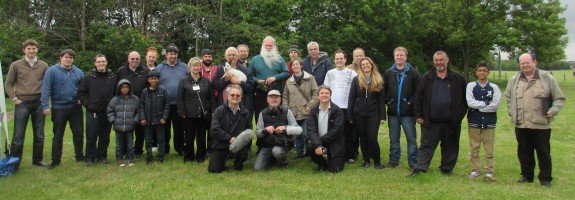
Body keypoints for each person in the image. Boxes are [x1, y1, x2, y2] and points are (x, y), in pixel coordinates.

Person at [504, 53, 565, 187]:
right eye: (522, 63)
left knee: (543, 152)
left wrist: (553, 111)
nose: (525, 65)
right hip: (521, 123)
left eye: (527, 62)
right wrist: (511, 110)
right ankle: (526, 176)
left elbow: (559, 99)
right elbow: (508, 97)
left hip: (541, 124)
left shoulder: (547, 78)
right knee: (523, 151)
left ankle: (545, 179)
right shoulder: (514, 80)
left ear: (535, 62)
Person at [410, 51, 467, 176]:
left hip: (451, 122)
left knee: (450, 147)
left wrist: (459, 116)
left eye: (441, 60)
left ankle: (446, 169)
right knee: (426, 146)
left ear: (447, 60)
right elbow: (418, 97)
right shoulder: (427, 77)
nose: (439, 63)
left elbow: (465, 100)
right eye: (436, 60)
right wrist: (418, 115)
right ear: (433, 61)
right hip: (430, 121)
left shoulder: (458, 78)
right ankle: (420, 169)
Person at [5, 39, 49, 168]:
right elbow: (8, 83)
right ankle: (14, 164)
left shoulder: (44, 65)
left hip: (39, 103)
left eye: (34, 48)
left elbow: (47, 84)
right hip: (22, 103)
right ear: (24, 50)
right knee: (18, 135)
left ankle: (38, 160)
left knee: (39, 135)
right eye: (29, 48)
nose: (31, 50)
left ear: (37, 50)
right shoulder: (16, 65)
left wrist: (46, 101)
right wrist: (14, 99)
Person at [41, 49, 85, 169]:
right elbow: (46, 89)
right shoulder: (52, 71)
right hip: (58, 107)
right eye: (66, 57)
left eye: (71, 58)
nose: (68, 59)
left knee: (78, 133)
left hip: (75, 107)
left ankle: (80, 156)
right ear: (61, 58)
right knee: (58, 135)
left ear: (73, 59)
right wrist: (45, 105)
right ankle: (55, 160)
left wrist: (82, 99)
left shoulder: (78, 72)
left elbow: (83, 88)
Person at [382, 47, 420, 169]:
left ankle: (413, 161)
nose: (399, 57)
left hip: (408, 113)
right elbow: (384, 90)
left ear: (406, 57)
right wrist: (388, 101)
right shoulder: (388, 73)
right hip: (393, 112)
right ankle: (393, 160)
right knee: (393, 139)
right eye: (397, 55)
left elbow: (418, 91)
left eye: (401, 55)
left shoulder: (413, 72)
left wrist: (410, 103)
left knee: (411, 139)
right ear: (394, 57)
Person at [77, 54, 118, 165]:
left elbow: (116, 93)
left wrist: (113, 105)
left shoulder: (112, 77)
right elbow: (81, 92)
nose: (101, 63)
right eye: (99, 62)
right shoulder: (89, 77)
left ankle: (102, 157)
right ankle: (89, 157)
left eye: (103, 61)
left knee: (105, 136)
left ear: (106, 62)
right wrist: (88, 104)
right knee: (91, 135)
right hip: (93, 111)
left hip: (107, 112)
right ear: (95, 63)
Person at [347, 57, 386, 169]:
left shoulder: (378, 79)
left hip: (373, 113)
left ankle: (377, 162)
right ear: (361, 67)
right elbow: (351, 97)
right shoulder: (356, 79)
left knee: (372, 138)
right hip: (358, 113)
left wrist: (383, 116)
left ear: (371, 65)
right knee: (363, 139)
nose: (365, 66)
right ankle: (366, 161)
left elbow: (381, 100)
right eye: (363, 64)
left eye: (367, 64)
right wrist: (350, 115)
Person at [466, 62, 501, 180]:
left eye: (484, 70)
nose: (482, 72)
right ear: (476, 72)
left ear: (488, 72)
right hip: (474, 121)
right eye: (479, 70)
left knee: (489, 148)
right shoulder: (471, 86)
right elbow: (470, 103)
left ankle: (489, 171)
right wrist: (486, 103)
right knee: (474, 147)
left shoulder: (494, 87)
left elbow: (495, 105)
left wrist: (478, 106)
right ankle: (475, 170)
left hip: (489, 122)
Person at [208, 85, 252, 173]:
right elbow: (214, 130)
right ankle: (224, 158)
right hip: (221, 145)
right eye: (232, 95)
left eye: (238, 95)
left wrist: (240, 140)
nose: (235, 97)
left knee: (239, 167)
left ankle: (238, 160)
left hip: (238, 144)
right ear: (228, 96)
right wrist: (230, 138)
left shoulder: (246, 112)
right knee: (214, 170)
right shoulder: (219, 110)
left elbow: (249, 130)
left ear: (241, 97)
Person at [254, 90, 302, 170]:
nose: (274, 99)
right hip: (267, 144)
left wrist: (285, 128)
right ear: (267, 100)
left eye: (276, 97)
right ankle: (273, 159)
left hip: (282, 143)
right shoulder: (262, 113)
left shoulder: (287, 111)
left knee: (277, 151)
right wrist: (265, 130)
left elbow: (298, 130)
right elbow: (258, 133)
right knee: (257, 168)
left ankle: (283, 163)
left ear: (280, 99)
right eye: (271, 97)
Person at [324, 50, 357, 163]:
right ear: (334, 60)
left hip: (347, 107)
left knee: (348, 133)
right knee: (334, 132)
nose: (339, 60)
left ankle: (349, 155)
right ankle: (335, 154)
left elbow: (356, 90)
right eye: (337, 59)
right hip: (333, 108)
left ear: (345, 59)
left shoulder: (352, 73)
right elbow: (325, 90)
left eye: (341, 58)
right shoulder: (330, 73)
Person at [178, 57, 214, 163]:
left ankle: (201, 156)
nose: (196, 67)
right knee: (189, 136)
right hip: (188, 114)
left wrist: (212, 110)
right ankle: (189, 156)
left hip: (203, 114)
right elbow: (180, 97)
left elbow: (211, 97)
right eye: (194, 65)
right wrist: (181, 111)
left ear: (200, 67)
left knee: (201, 136)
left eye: (198, 65)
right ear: (190, 67)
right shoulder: (183, 81)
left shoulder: (206, 81)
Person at [282, 58, 319, 158]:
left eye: (297, 64)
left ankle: (310, 151)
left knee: (307, 133)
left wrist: (310, 105)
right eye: (293, 65)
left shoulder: (310, 78)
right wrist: (285, 108)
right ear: (291, 67)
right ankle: (299, 153)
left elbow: (316, 93)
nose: (295, 66)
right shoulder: (288, 81)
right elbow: (285, 96)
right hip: (293, 111)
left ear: (301, 65)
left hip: (307, 110)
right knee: (297, 133)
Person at [156, 45, 189, 155]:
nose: (173, 56)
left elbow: (189, 82)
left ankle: (180, 148)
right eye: (170, 54)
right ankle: (165, 149)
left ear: (177, 55)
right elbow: (155, 83)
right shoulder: (159, 67)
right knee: (164, 128)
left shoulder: (184, 67)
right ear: (166, 55)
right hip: (164, 104)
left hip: (179, 103)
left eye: (175, 54)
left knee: (179, 128)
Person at [248, 36, 290, 122]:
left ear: (274, 46)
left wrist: (275, 77)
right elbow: (249, 75)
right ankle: (261, 134)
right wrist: (257, 80)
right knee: (260, 117)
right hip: (260, 94)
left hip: (276, 93)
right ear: (262, 45)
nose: (268, 47)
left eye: (270, 46)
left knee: (277, 117)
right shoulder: (255, 59)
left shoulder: (279, 59)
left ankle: (277, 134)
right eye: (266, 45)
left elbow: (287, 73)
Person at [117, 51, 150, 157]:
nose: (135, 60)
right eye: (132, 59)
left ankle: (138, 151)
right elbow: (116, 87)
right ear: (128, 59)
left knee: (140, 129)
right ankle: (125, 151)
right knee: (126, 129)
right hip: (125, 104)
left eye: (137, 59)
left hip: (141, 104)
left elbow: (149, 88)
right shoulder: (121, 71)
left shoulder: (145, 71)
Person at [307, 85, 345, 173]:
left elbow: (336, 131)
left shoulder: (337, 111)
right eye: (322, 93)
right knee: (309, 147)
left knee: (335, 170)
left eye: (327, 93)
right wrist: (317, 144)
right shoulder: (313, 111)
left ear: (330, 95)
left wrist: (319, 142)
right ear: (318, 96)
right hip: (319, 141)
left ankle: (337, 159)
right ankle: (322, 164)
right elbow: (311, 129)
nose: (324, 95)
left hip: (334, 141)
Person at [107, 79, 139, 167]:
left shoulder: (135, 99)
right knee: (118, 145)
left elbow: (138, 112)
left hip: (130, 126)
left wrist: (135, 121)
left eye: (127, 87)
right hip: (118, 127)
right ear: (119, 89)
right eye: (123, 88)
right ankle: (119, 159)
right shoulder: (115, 99)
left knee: (130, 144)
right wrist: (113, 120)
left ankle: (131, 159)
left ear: (130, 88)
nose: (125, 89)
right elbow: (110, 111)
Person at [140, 71, 169, 164]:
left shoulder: (163, 91)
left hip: (159, 120)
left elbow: (166, 106)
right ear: (148, 80)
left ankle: (160, 158)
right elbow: (141, 106)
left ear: (158, 79)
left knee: (161, 139)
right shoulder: (144, 91)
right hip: (147, 121)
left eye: (155, 78)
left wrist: (164, 117)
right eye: (151, 78)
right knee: (148, 140)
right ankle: (149, 158)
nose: (153, 80)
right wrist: (142, 118)